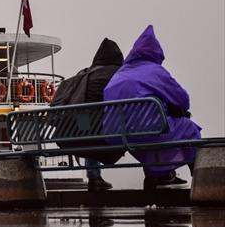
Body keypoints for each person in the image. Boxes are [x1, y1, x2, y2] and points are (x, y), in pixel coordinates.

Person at [104, 25, 203, 190]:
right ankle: (199, 179)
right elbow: (182, 99)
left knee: (148, 134)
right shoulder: (155, 71)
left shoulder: (119, 74)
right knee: (189, 128)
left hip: (117, 134)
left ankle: (155, 176)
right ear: (155, 53)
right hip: (148, 130)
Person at [49, 38, 124, 192]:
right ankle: (158, 173)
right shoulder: (117, 74)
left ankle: (94, 177)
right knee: (143, 129)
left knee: (88, 125)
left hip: (73, 133)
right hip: (101, 134)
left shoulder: (83, 74)